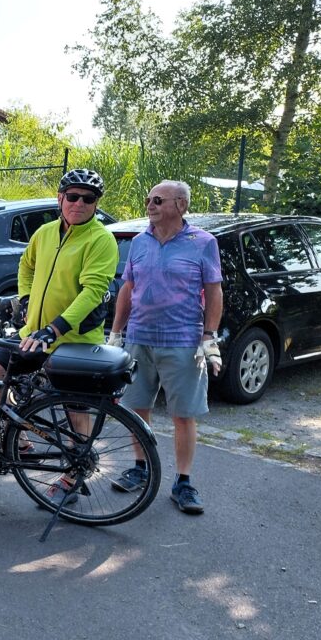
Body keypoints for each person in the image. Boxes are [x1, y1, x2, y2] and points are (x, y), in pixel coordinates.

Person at [0, 168, 118, 499]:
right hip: (33, 333)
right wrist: (25, 299)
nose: (79, 203)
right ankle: (21, 439)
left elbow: (93, 292)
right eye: (72, 196)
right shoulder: (45, 233)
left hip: (75, 340)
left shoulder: (101, 239)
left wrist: (55, 330)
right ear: (60, 199)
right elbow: (26, 266)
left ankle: (74, 472)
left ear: (96, 204)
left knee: (74, 409)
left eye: (88, 198)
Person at [109, 180, 223, 515]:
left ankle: (183, 483)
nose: (150, 204)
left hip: (183, 342)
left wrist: (209, 336)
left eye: (158, 200)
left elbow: (214, 291)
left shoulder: (203, 243)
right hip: (139, 339)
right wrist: (116, 334)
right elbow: (128, 289)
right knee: (135, 408)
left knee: (183, 415)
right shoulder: (140, 242)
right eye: (148, 198)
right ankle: (139, 469)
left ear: (181, 205)